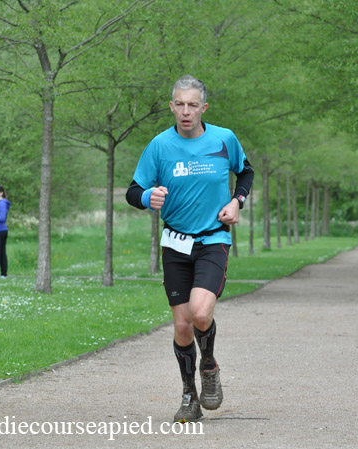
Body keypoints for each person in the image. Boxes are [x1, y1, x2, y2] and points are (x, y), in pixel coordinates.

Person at [126, 75, 254, 423]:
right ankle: (189, 397)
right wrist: (146, 197)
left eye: (192, 105)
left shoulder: (224, 139)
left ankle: (208, 366)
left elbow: (245, 173)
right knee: (182, 326)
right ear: (171, 106)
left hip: (213, 239)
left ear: (203, 108)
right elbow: (133, 190)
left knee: (200, 313)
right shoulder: (159, 146)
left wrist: (237, 202)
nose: (186, 111)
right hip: (175, 243)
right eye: (180, 104)